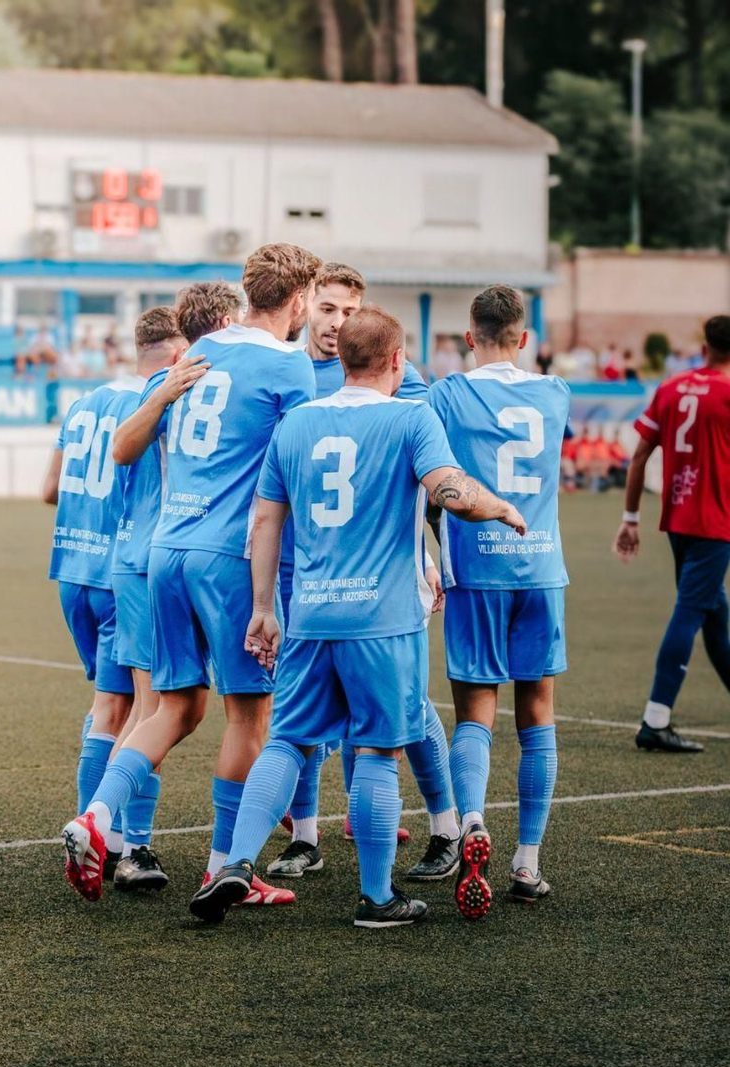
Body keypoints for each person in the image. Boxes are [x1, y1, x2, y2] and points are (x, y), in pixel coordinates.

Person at [189, 306, 526, 928]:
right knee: (374, 752)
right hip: (384, 621)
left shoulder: (295, 423)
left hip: (311, 616)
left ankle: (235, 862)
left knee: (288, 740)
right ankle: (376, 898)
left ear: (341, 358)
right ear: (397, 361)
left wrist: (265, 608)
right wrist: (497, 504)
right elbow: (449, 488)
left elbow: (264, 521)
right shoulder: (410, 416)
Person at [64, 243, 325, 907]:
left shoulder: (194, 354)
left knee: (173, 707)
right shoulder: (290, 367)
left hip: (165, 552)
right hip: (229, 558)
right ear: (297, 301)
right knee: (250, 715)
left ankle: (95, 818)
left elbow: (127, 448)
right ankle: (222, 869)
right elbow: (295, 476)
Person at [274, 263, 460, 882]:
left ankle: (440, 824)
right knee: (297, 716)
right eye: (327, 309)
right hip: (301, 567)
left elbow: (426, 483)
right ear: (308, 307)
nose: (337, 323)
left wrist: (433, 556)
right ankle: (305, 836)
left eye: (349, 312)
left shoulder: (397, 382)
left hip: (380, 572)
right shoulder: (288, 374)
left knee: (403, 706)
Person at [428, 285, 571, 913]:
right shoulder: (556, 393)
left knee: (475, 714)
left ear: (468, 337)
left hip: (476, 571)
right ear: (524, 338)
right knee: (537, 714)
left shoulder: (448, 393)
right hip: (540, 567)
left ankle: (474, 822)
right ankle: (528, 860)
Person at [96, 294, 228, 893]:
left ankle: (111, 838)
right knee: (159, 710)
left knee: (132, 709)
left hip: (133, 559)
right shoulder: (180, 395)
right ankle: (125, 845)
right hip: (160, 562)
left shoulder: (124, 398)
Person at [41, 309, 173, 896]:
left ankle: (96, 835)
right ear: (174, 355)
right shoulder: (152, 403)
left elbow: (49, 490)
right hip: (124, 569)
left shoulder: (83, 402)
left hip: (72, 570)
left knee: (107, 707)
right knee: (148, 710)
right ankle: (127, 846)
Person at [616, 314, 730, 751]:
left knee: (714, 617)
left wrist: (630, 519)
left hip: (678, 518)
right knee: (691, 611)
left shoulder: (673, 387)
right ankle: (655, 720)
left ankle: (657, 720)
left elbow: (640, 455)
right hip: (715, 522)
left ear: (705, 347)